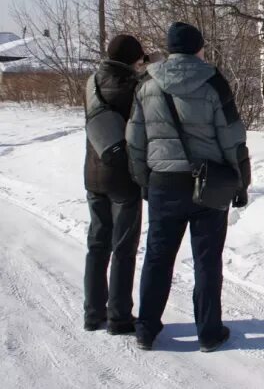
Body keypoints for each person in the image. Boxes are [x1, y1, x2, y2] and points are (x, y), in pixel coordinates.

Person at [126, 22, 250, 352]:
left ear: (169, 49)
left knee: (157, 257)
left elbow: (134, 139)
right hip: (209, 184)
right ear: (198, 48)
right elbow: (232, 136)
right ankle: (209, 333)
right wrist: (240, 180)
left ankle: (146, 330)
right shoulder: (213, 81)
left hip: (163, 183)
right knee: (207, 261)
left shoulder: (147, 82)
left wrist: (144, 179)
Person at [83, 34, 148, 334]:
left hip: (93, 174)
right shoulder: (134, 88)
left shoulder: (92, 83)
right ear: (133, 60)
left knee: (97, 245)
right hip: (123, 179)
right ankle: (120, 316)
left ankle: (93, 313)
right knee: (123, 248)